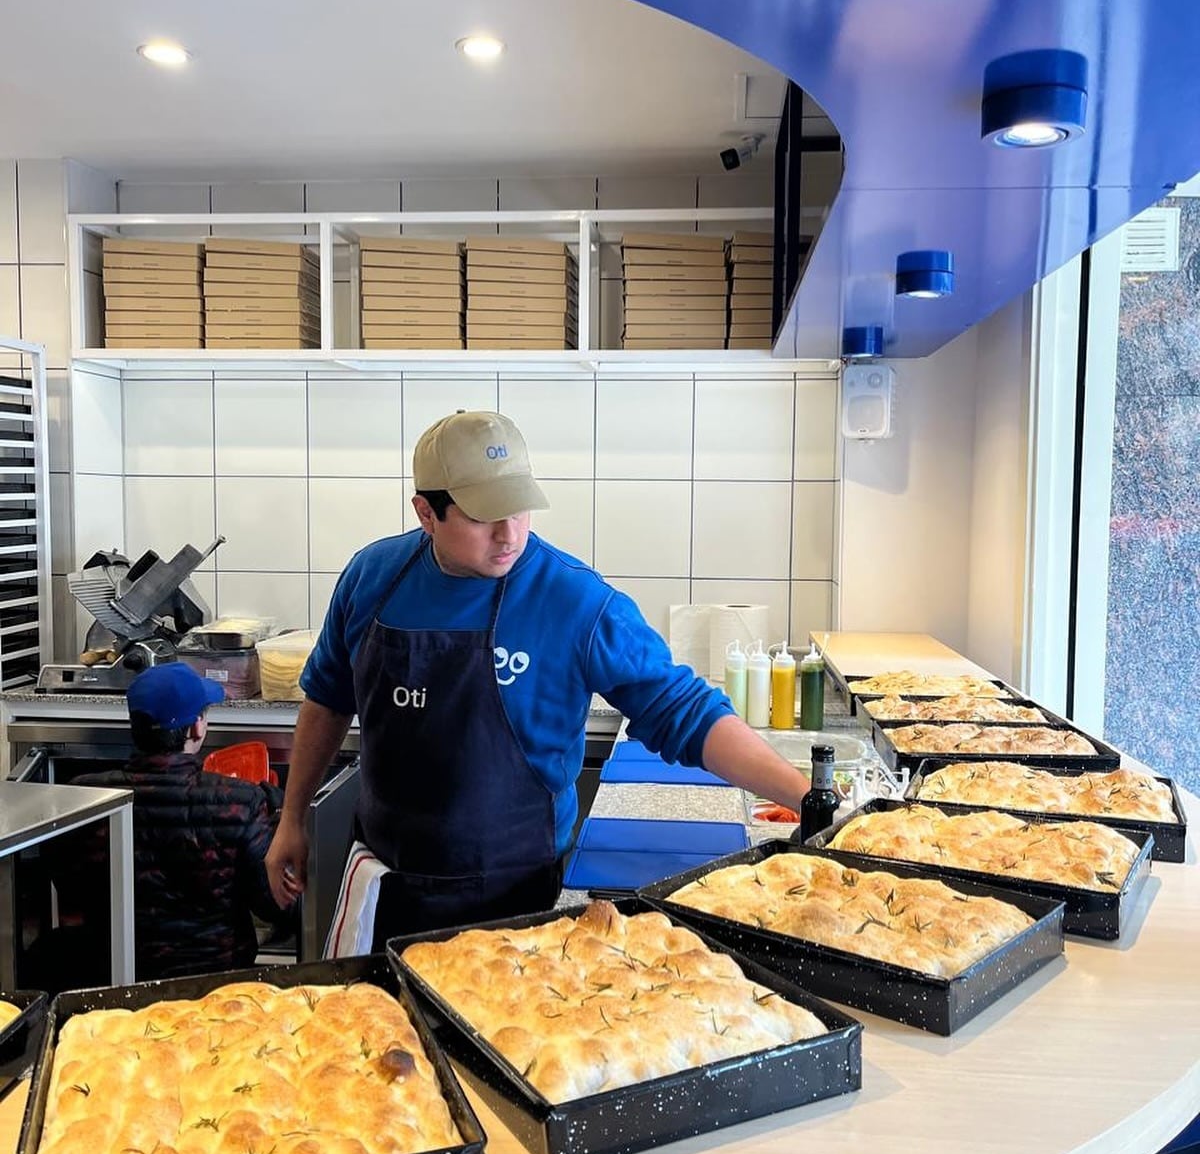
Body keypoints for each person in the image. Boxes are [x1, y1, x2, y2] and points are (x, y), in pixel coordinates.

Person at [265, 409, 811, 948]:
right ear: (426, 513)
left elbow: (683, 710)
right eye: (483, 516)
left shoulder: (575, 601)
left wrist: (808, 798)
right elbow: (327, 699)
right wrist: (293, 819)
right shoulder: (372, 576)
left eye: (519, 509)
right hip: (384, 878)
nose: (509, 535)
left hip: (518, 895)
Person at [75, 663, 293, 980]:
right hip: (217, 984)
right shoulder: (241, 803)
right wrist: (275, 819)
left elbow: (73, 886)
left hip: (115, 980)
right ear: (196, 728)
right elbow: (275, 905)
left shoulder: (85, 798)